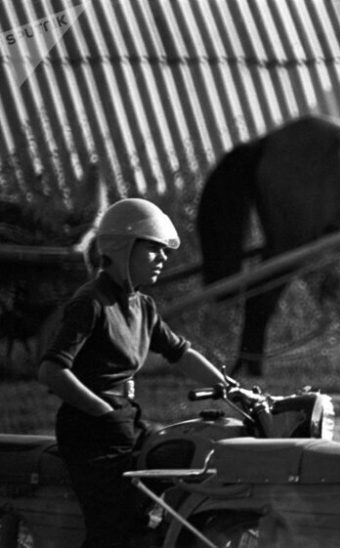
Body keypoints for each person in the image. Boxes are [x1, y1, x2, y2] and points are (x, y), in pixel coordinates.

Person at [37, 198, 227, 548]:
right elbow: (51, 370)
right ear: (123, 248)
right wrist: (101, 410)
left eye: (164, 251)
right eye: (153, 249)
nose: (162, 258)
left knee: (189, 453)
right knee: (113, 529)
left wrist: (229, 388)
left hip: (127, 420)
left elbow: (181, 353)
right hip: (90, 430)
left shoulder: (143, 306)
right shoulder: (91, 302)